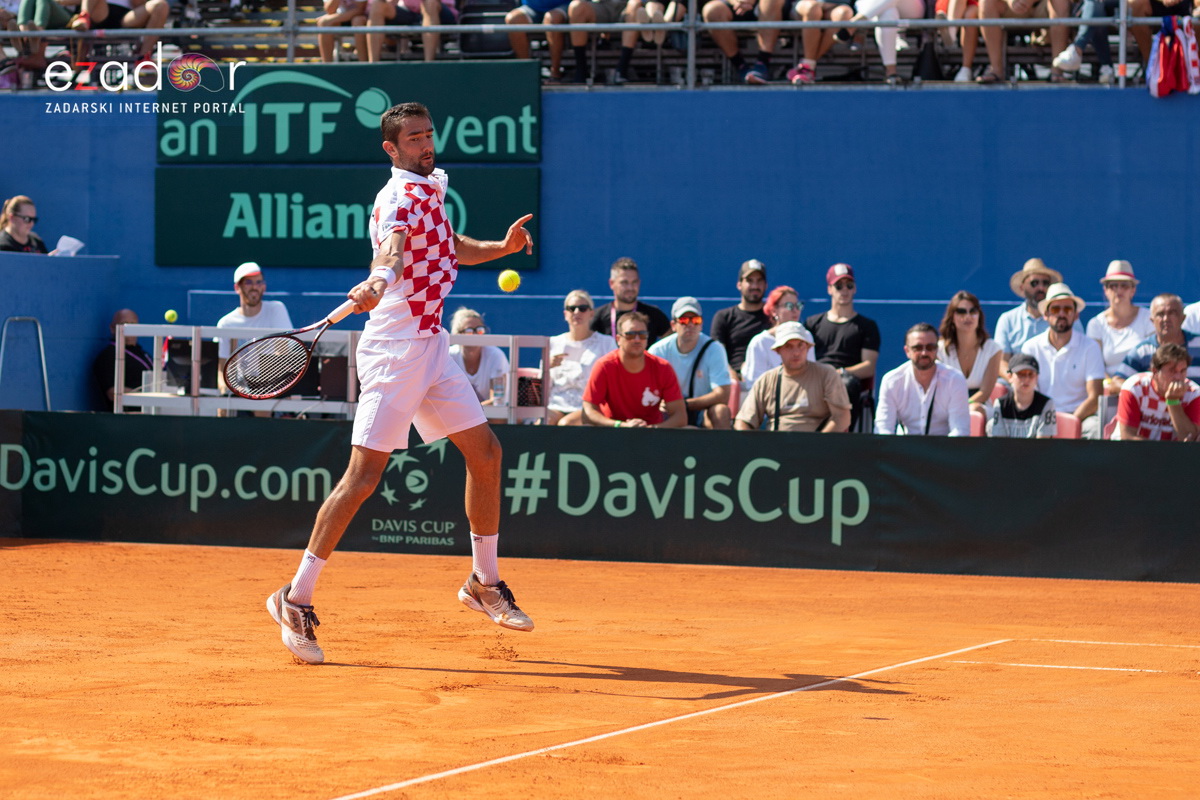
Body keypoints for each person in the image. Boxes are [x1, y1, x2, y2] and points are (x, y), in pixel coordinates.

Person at [266, 102, 536, 665]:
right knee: (363, 478)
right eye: (413, 139)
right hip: (392, 352)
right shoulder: (396, 197)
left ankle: (483, 583)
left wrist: (502, 248)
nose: (425, 144)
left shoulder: (432, 187)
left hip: (432, 344)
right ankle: (294, 598)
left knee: (486, 453)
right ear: (391, 149)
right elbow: (392, 249)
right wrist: (378, 279)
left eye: (429, 134)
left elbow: (449, 246)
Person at [1021, 283, 1105, 439]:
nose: (1061, 314)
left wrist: (1070, 422)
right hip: (1040, 416)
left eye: (1067, 309)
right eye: (1055, 309)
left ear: (1076, 315)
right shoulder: (1030, 348)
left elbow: (1095, 397)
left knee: (1094, 428)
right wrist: (1048, 422)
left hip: (1080, 416)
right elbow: (1026, 394)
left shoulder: (1090, 347)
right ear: (1045, 315)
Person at [734, 321, 850, 432]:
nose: (796, 352)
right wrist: (751, 447)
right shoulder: (766, 380)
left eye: (800, 345)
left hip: (818, 448)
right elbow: (743, 421)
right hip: (776, 448)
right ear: (778, 350)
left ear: (808, 348)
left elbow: (842, 417)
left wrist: (819, 444)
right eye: (789, 346)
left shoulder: (827, 374)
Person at [806, 263, 879, 431]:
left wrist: (839, 373)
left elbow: (868, 367)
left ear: (855, 289)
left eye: (849, 285)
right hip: (815, 380)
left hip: (846, 381)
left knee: (845, 384)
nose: (844, 290)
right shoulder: (812, 323)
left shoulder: (867, 326)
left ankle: (837, 437)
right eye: (838, 286)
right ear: (829, 289)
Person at [582, 311, 686, 428]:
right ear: (618, 339)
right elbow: (588, 412)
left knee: (690, 431)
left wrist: (653, 429)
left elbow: (680, 416)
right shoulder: (604, 366)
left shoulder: (663, 367)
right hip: (612, 434)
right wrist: (620, 425)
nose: (637, 340)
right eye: (630, 335)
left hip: (652, 436)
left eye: (642, 335)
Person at [649, 296, 733, 429]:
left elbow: (723, 395)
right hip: (668, 412)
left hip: (701, 411)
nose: (690, 325)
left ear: (701, 324)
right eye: (683, 320)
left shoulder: (715, 348)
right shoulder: (657, 350)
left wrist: (686, 404)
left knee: (721, 411)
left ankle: (725, 450)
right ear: (673, 325)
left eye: (695, 320)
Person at [875, 323, 970, 436]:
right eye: (917, 348)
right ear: (907, 351)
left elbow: (960, 430)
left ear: (937, 349)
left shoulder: (955, 380)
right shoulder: (892, 381)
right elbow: (883, 428)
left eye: (930, 347)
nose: (924, 353)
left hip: (944, 449)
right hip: (904, 449)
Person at [546, 289, 616, 425]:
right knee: (543, 422)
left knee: (566, 424)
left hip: (590, 406)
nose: (577, 312)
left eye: (582, 308)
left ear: (591, 313)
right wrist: (547, 366)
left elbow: (614, 379)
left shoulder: (606, 343)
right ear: (565, 314)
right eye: (572, 308)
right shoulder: (553, 342)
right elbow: (541, 385)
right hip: (555, 404)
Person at [993, 257, 1069, 375]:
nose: (1041, 288)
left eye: (1045, 283)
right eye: (1034, 283)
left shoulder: (1066, 319)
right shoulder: (1007, 320)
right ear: (1022, 287)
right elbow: (1001, 362)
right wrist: (1016, 380)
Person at [1085, 260, 1154, 382]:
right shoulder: (1095, 324)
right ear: (1105, 291)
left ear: (1133, 290)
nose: (1119, 290)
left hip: (1142, 389)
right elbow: (1095, 366)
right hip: (1109, 392)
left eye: (1124, 285)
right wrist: (1113, 385)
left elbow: (1153, 360)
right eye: (1113, 285)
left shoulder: (1148, 318)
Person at [1116, 342, 1200, 442]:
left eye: (1182, 371)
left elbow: (1191, 441)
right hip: (1133, 453)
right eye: (1172, 371)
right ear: (1155, 372)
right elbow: (1127, 438)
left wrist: (1173, 402)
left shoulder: (1194, 394)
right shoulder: (1135, 388)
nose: (1178, 377)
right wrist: (1161, 453)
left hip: (1173, 455)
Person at [215, 262, 294, 368]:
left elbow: (283, 353)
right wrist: (227, 385)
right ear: (237, 287)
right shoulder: (225, 323)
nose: (254, 287)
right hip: (238, 384)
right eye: (248, 282)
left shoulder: (276, 309)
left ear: (264, 287)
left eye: (259, 282)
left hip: (271, 382)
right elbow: (223, 370)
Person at [1112, 294, 1200, 386]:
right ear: (1152, 320)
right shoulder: (1143, 351)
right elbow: (1116, 382)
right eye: (1160, 314)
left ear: (1183, 318)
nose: (1166, 319)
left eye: (1172, 313)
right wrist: (1147, 392)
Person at [937, 290, 1001, 415]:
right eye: (961, 311)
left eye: (973, 311)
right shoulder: (939, 350)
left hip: (979, 407)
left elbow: (985, 392)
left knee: (974, 412)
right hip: (947, 406)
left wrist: (963, 407)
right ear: (952, 317)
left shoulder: (993, 349)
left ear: (979, 316)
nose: (968, 316)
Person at [975, 0, 1071, 84]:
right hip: (1013, 6)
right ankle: (996, 71)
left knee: (1061, 1)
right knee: (986, 2)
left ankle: (1057, 71)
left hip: (1043, 6)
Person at [741, 285, 815, 390]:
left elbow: (812, 375)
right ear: (774, 310)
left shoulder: (807, 336)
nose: (795, 310)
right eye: (789, 306)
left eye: (798, 305)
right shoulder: (759, 342)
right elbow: (754, 384)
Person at [710, 258, 769, 383]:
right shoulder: (724, 316)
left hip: (768, 381)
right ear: (739, 284)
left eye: (759, 281)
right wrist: (731, 375)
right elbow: (716, 354)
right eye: (749, 281)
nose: (755, 286)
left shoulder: (773, 316)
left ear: (766, 285)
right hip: (736, 382)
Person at [840, 0, 925, 85]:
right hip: (870, 6)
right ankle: (891, 73)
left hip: (910, 6)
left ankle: (855, 23)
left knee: (885, 8)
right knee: (888, 13)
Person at [700, 0, 786, 83]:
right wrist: (738, 1)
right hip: (736, 5)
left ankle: (762, 63)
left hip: (775, 6)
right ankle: (741, 67)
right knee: (712, 10)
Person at [590, 257, 671, 345]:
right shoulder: (597, 317)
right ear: (612, 284)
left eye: (634, 282)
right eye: (624, 282)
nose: (630, 288)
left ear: (639, 283)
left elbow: (672, 345)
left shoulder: (654, 314)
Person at [69, 0, 170, 64]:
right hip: (99, 13)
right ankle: (84, 16)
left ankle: (143, 58)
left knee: (160, 5)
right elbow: (62, 1)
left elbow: (138, 3)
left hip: (127, 16)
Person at [91, 308, 152, 411]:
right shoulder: (109, 355)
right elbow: (112, 392)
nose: (129, 328)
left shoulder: (144, 353)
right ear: (112, 328)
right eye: (124, 323)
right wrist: (148, 396)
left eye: (133, 324)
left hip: (151, 411)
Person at [565, 0, 639, 84]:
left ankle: (622, 71)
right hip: (600, 5)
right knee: (576, 7)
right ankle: (581, 71)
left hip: (627, 7)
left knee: (636, 4)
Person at [448, 307, 509, 405]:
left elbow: (497, 401)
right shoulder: (448, 356)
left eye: (479, 330)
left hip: (490, 418)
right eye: (469, 331)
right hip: (457, 416)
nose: (475, 334)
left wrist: (470, 414)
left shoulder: (496, 356)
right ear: (457, 334)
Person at [986, 353, 1056, 438]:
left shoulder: (1046, 404)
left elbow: (1042, 446)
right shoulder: (1000, 404)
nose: (1026, 379)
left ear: (1037, 377)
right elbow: (1001, 444)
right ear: (1010, 376)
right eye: (1021, 374)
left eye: (1031, 374)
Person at [785, 0, 854, 84]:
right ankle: (807, 67)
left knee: (844, 13)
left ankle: (807, 66)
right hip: (803, 5)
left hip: (836, 5)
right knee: (813, 8)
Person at [364, 0, 457, 62]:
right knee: (377, 6)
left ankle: (429, 63)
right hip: (411, 13)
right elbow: (391, 2)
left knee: (430, 3)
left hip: (442, 12)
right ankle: (373, 64)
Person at [1050, 0, 1118, 84]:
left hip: (1120, 5)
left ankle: (1077, 49)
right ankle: (1107, 67)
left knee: (1094, 8)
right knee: (1096, 10)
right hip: (1088, 7)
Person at [505, 0, 571, 81]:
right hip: (532, 8)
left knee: (552, 19)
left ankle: (555, 73)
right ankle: (527, 74)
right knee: (514, 19)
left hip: (563, 6)